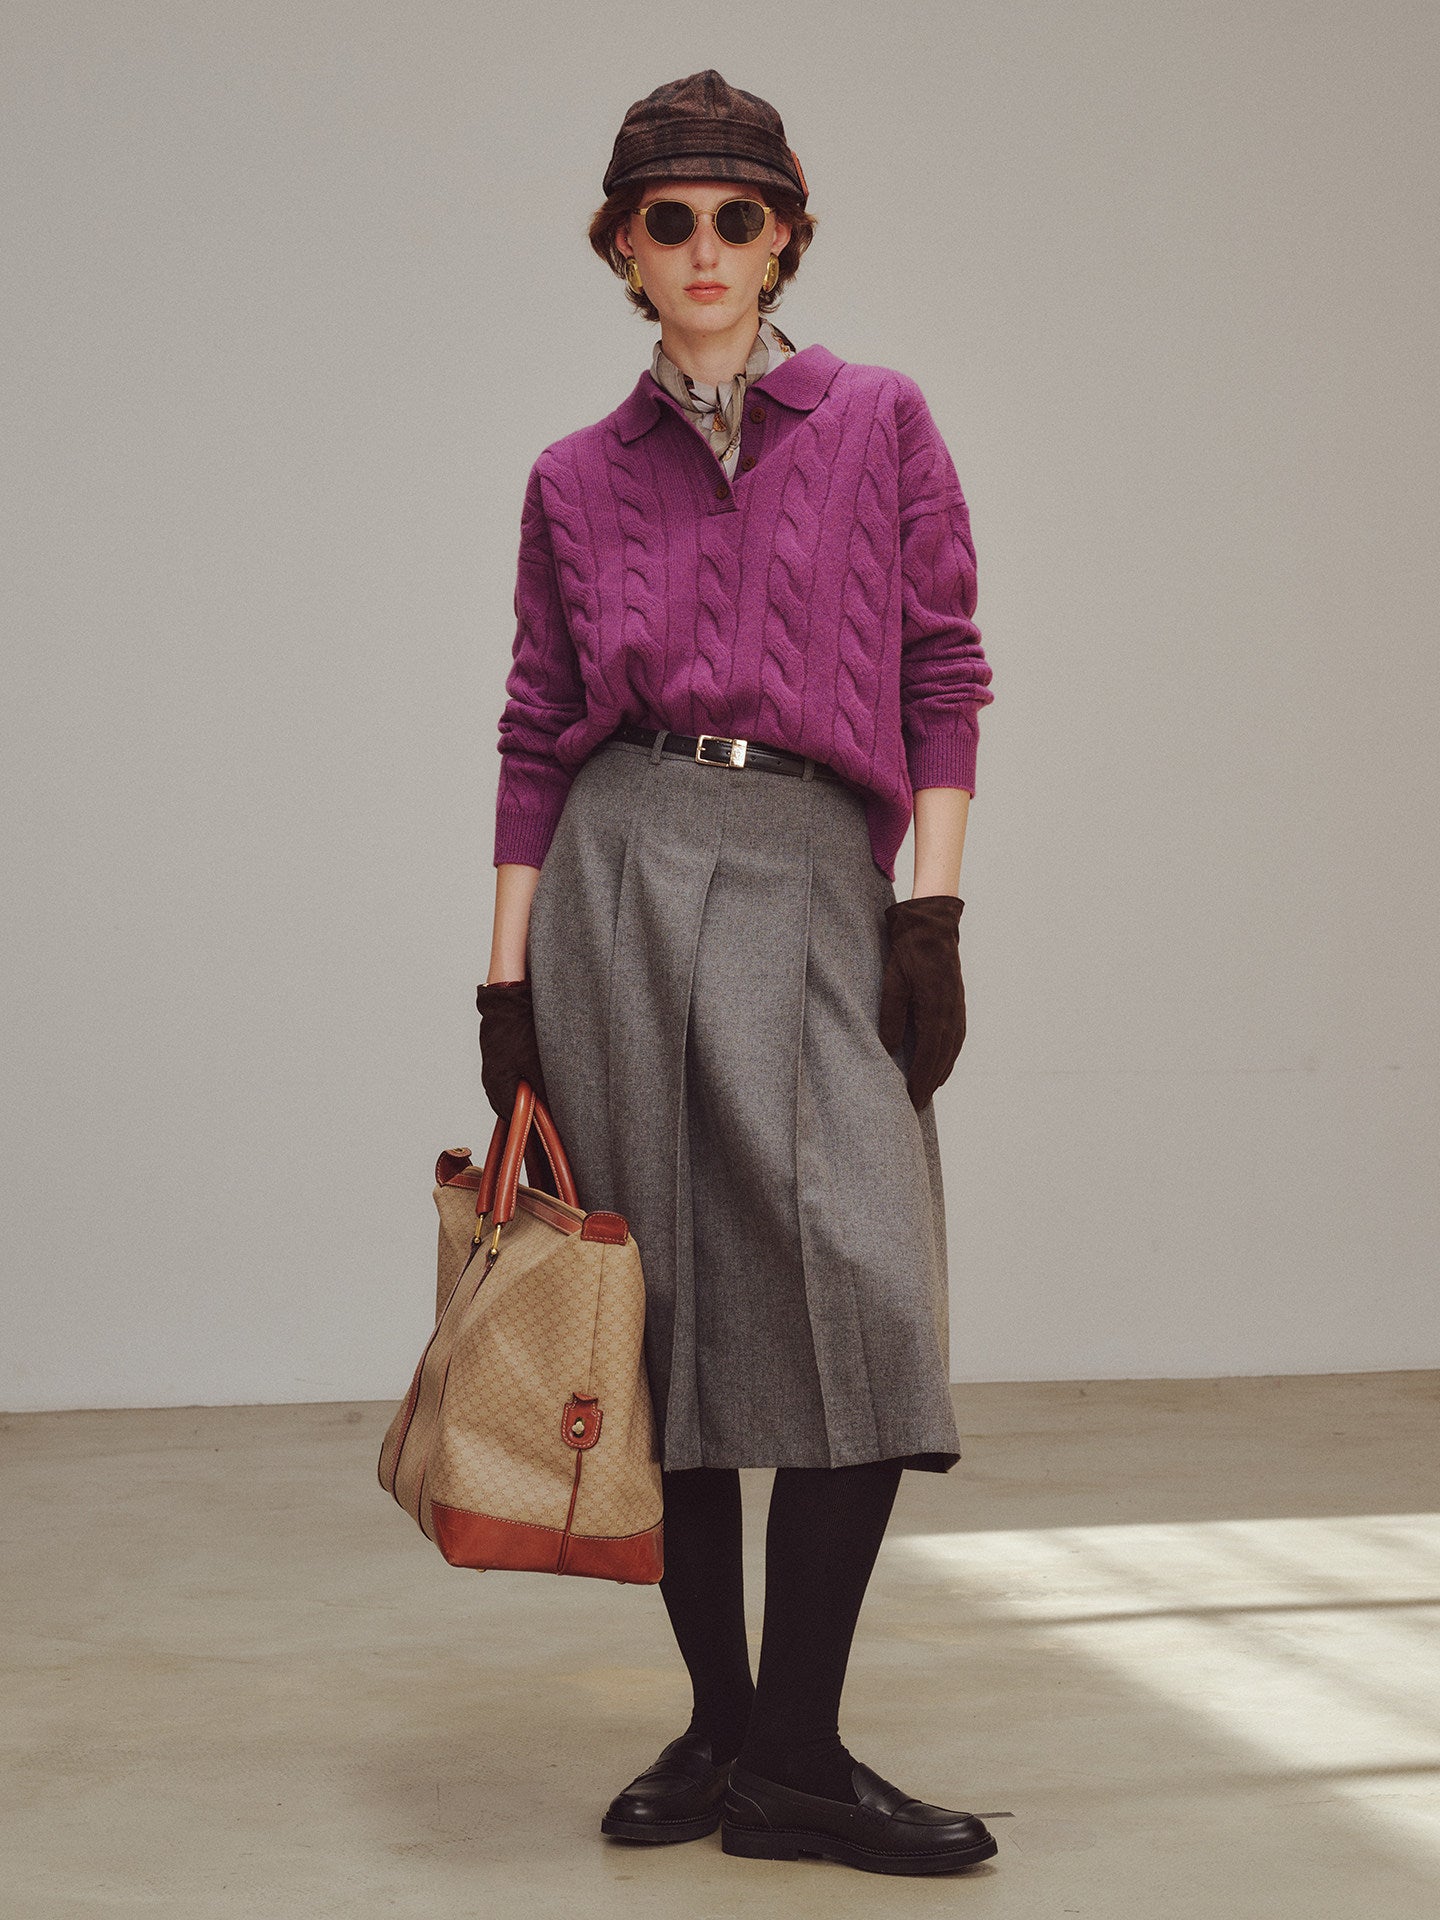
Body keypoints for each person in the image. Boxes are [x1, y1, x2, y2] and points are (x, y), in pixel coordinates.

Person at [476, 69, 998, 1878]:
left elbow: (944, 671)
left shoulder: (880, 421)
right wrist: (504, 987)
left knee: (867, 1292)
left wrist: (931, 915)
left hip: (812, 871)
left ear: (785, 239)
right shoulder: (571, 477)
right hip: (620, 871)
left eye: (739, 216)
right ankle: (728, 1734)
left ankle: (795, 1744)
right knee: (666, 1322)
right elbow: (534, 732)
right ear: (623, 248)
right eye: (669, 219)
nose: (705, 247)